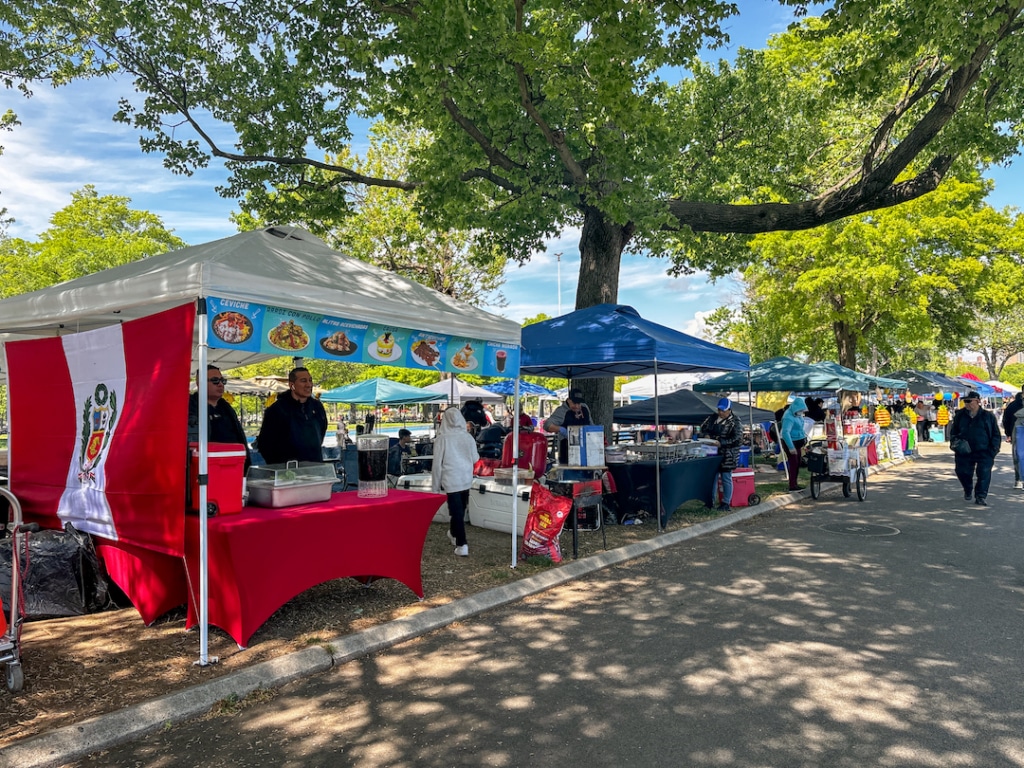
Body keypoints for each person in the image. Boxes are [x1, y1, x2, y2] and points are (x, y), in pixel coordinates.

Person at [256, 367, 328, 465]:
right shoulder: (277, 409)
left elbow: (322, 431)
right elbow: (265, 444)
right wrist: (282, 468)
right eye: (303, 381)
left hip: (315, 468)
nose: (308, 385)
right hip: (288, 472)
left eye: (310, 380)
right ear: (292, 385)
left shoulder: (317, 407)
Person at [431, 408, 478, 557]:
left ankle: (462, 543)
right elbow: (476, 458)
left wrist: (435, 486)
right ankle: (453, 533)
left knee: (456, 510)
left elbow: (437, 465)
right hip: (466, 477)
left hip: (451, 478)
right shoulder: (467, 437)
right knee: (461, 508)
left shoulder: (442, 439)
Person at [188, 365, 252, 470]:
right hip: (205, 469)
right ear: (200, 384)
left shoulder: (227, 408)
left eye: (223, 380)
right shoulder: (191, 407)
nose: (220, 384)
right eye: (215, 381)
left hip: (234, 466)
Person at [950, 391, 1002, 506]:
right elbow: (954, 431)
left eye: (969, 401)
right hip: (964, 450)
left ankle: (981, 496)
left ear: (978, 401)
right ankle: (968, 489)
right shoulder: (960, 415)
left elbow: (995, 434)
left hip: (984, 450)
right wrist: (955, 444)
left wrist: (994, 449)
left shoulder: (988, 416)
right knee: (962, 472)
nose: (967, 404)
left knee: (984, 474)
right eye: (965, 401)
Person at [699, 397, 742, 512]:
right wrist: (706, 435)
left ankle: (726, 503)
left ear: (729, 410)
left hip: (728, 454)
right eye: (719, 410)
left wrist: (722, 443)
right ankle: (710, 501)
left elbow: (737, 439)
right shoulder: (712, 418)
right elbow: (703, 428)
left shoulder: (735, 422)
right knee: (711, 477)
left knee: (726, 478)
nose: (721, 412)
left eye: (723, 410)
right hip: (711, 451)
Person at [543, 388, 593, 464]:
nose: (577, 406)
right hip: (567, 451)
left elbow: (591, 423)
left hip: (586, 449)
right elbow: (547, 425)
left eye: (579, 403)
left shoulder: (584, 408)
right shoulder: (561, 411)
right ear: (569, 400)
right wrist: (561, 429)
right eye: (574, 403)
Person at [780, 396, 809, 491]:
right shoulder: (788, 417)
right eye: (800, 410)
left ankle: (795, 483)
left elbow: (800, 427)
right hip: (790, 442)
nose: (802, 412)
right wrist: (791, 447)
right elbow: (785, 433)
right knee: (794, 463)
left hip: (797, 441)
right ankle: (792, 485)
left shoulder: (798, 415)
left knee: (797, 463)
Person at [1001, 391, 1024, 489]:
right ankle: (1019, 479)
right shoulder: (1013, 405)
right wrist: (1008, 433)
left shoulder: (1012, 405)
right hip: (1017, 430)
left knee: (1018, 456)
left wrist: (1008, 433)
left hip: (1016, 432)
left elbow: (1005, 419)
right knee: (1019, 456)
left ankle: (1018, 479)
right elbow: (1006, 420)